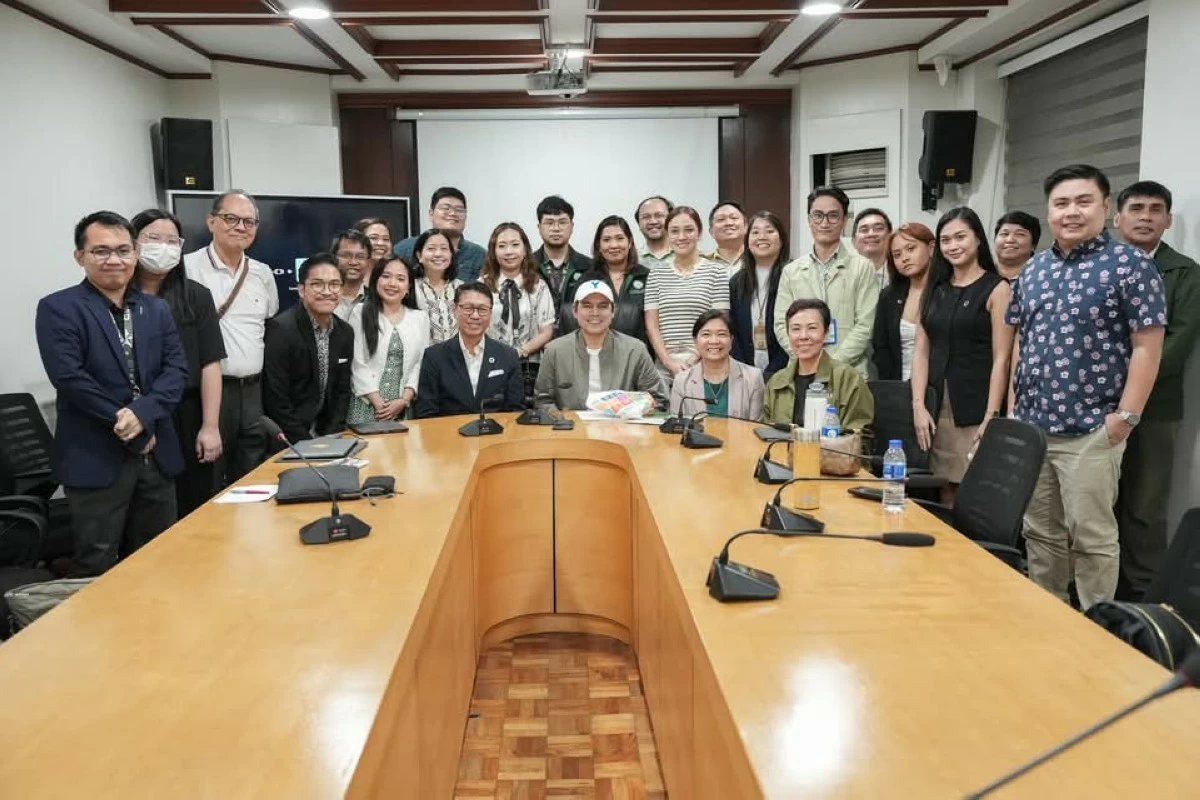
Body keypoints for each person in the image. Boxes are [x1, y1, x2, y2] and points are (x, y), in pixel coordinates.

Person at [1007, 164, 1166, 610]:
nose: (1071, 212)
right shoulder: (1034, 269)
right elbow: (1023, 340)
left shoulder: (1131, 265)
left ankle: (1100, 628)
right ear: (1049, 211)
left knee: (1092, 538)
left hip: (1092, 429)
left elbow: (1148, 348)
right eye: (1061, 204)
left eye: (1083, 201)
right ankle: (1049, 618)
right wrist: (1016, 411)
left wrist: (1125, 418)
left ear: (1105, 207)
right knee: (1040, 534)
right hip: (1035, 428)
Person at [35, 211, 187, 576]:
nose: (114, 260)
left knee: (161, 557)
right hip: (96, 455)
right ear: (80, 256)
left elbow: (176, 370)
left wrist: (144, 414)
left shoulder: (155, 308)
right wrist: (126, 418)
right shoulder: (59, 308)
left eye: (123, 250)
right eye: (101, 251)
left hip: (156, 454)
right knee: (97, 564)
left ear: (135, 254)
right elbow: (69, 377)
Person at [1112, 180, 1200, 600]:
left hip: (1155, 408)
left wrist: (1126, 390)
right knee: (1095, 504)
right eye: (1137, 208)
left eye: (1155, 209)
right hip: (1094, 408)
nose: (1145, 216)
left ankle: (1142, 602)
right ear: (1118, 217)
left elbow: (1176, 343)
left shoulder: (1185, 273)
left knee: (1144, 508)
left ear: (1167, 219)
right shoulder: (1098, 266)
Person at [910, 208, 1013, 505]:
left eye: (960, 237)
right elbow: (921, 351)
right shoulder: (935, 289)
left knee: (973, 490)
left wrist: (991, 417)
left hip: (975, 405)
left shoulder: (997, 288)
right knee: (944, 486)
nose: (953, 246)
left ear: (978, 239)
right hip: (935, 405)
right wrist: (918, 405)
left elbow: (1002, 359)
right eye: (945, 240)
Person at [131, 208, 225, 516]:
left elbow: (210, 363)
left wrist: (210, 426)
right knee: (147, 512)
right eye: (154, 238)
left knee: (195, 503)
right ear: (134, 243)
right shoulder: (119, 297)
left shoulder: (195, 296)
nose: (164, 247)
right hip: (137, 412)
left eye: (172, 241)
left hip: (188, 411)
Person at [183, 190, 279, 483]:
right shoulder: (185, 268)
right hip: (204, 393)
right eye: (231, 219)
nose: (241, 227)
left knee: (250, 475)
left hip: (252, 392)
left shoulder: (262, 274)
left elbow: (267, 322)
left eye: (249, 222)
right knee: (206, 477)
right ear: (211, 221)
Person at [774, 186, 878, 377]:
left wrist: (832, 364)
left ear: (844, 220)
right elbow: (781, 325)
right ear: (809, 219)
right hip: (802, 370)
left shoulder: (862, 268)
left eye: (833, 216)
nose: (824, 223)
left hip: (850, 372)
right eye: (818, 215)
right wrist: (807, 358)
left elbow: (865, 326)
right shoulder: (791, 271)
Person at [534, 278, 666, 411]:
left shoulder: (635, 350)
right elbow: (543, 401)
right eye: (587, 306)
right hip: (572, 428)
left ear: (613, 311)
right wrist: (564, 422)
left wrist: (628, 415)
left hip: (621, 427)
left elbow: (657, 400)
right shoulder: (555, 350)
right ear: (574, 311)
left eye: (602, 306)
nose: (595, 313)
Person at [262, 254, 354, 443]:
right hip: (287, 437)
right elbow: (276, 398)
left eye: (334, 284)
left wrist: (331, 436)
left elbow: (342, 392)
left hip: (328, 435)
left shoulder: (345, 332)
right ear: (302, 289)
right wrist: (306, 443)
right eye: (318, 284)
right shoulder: (281, 330)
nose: (327, 291)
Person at [644, 206, 731, 382]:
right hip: (664, 369)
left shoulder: (716, 272)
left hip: (706, 364)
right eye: (674, 231)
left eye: (689, 230)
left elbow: (720, 324)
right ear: (667, 235)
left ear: (699, 234)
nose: (682, 237)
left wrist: (693, 360)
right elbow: (652, 326)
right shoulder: (656, 274)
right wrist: (669, 362)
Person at [414, 282, 525, 418]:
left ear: (490, 313)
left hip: (495, 434)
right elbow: (426, 412)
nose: (475, 316)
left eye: (482, 309)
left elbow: (516, 411)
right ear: (454, 309)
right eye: (468, 308)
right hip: (448, 435)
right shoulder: (434, 356)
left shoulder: (508, 355)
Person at [763, 299, 873, 434]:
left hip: (831, 454)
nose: (803, 336)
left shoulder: (848, 379)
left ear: (826, 333)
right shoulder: (776, 383)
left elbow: (860, 436)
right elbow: (766, 433)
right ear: (788, 334)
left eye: (812, 328)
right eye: (796, 329)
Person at [347, 256, 429, 424]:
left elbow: (420, 363)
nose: (392, 283)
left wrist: (404, 400)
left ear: (408, 287)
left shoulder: (419, 318)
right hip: (366, 404)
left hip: (403, 407)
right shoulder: (360, 312)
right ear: (376, 280)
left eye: (400, 279)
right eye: (386, 276)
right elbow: (357, 361)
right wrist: (378, 403)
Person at [480, 222, 556, 400]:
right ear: (493, 251)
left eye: (515, 245)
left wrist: (520, 351)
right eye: (502, 246)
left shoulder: (539, 286)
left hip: (529, 366)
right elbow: (475, 326)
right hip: (491, 362)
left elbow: (546, 331)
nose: (509, 251)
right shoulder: (482, 285)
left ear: (525, 249)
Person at [561, 215, 651, 347]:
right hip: (594, 351)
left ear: (630, 242)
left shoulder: (647, 276)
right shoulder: (586, 279)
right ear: (599, 245)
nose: (613, 245)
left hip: (638, 353)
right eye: (607, 240)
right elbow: (573, 321)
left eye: (620, 238)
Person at [670, 310, 764, 420]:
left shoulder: (753, 378)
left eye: (721, 334)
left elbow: (756, 428)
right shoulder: (682, 381)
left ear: (731, 340)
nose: (714, 341)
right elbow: (676, 429)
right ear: (695, 341)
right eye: (706, 334)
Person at [871, 222, 934, 382]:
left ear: (931, 248)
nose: (905, 258)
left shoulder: (947, 291)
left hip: (940, 386)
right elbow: (881, 346)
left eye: (911, 249)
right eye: (897, 255)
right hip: (898, 387)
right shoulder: (889, 296)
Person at [729, 211, 788, 379]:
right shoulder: (736, 282)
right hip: (743, 372)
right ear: (747, 241)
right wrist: (744, 370)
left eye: (770, 231)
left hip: (785, 369)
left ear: (782, 239)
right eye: (755, 232)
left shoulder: (793, 276)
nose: (762, 237)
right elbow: (732, 329)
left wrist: (773, 371)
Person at [393, 187, 486, 281]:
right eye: (446, 208)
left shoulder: (479, 255)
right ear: (431, 213)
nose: (453, 213)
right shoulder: (405, 249)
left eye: (459, 210)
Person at [532, 195, 593, 318]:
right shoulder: (526, 265)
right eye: (549, 223)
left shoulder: (590, 267)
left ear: (572, 226)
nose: (556, 228)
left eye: (562, 222)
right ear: (539, 228)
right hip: (537, 335)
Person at [411, 228, 462, 344]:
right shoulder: (410, 288)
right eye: (431, 249)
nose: (438, 254)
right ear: (419, 255)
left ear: (451, 254)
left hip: (458, 358)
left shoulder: (462, 288)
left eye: (444, 249)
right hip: (422, 358)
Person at [331, 229, 372, 321]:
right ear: (333, 258)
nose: (353, 262)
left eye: (360, 257)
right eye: (346, 255)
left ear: (368, 262)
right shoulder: (320, 298)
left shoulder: (377, 300)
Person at [852, 208, 894, 290]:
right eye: (864, 230)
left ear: (891, 237)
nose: (871, 234)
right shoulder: (841, 277)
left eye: (878, 228)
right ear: (853, 241)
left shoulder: (904, 274)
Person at [993, 211, 1041, 281]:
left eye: (1020, 234)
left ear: (1033, 245)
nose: (1010, 240)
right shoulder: (980, 276)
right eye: (1004, 234)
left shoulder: (1043, 277)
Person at [704, 201, 747, 275]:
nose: (728, 223)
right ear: (711, 232)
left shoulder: (758, 260)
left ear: (746, 227)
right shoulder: (703, 264)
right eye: (721, 219)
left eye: (734, 218)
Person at [635, 195, 674, 270]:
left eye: (659, 215)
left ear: (671, 220)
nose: (653, 221)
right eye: (646, 217)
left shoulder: (688, 255)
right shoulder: (631, 260)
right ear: (639, 223)